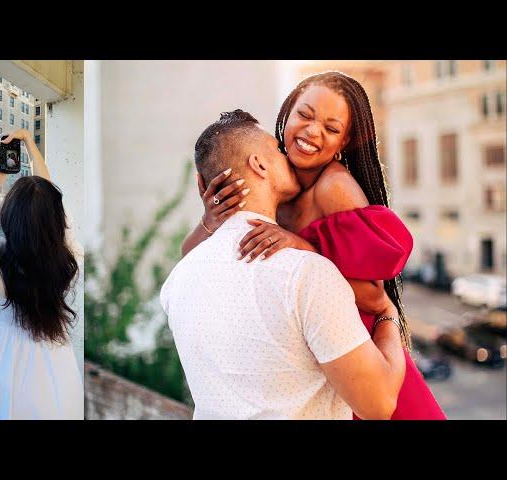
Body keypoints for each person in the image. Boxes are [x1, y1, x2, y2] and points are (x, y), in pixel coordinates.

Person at [183, 72, 446, 420]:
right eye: (305, 116)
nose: (312, 132)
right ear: (287, 113)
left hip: (356, 355)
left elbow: (372, 295)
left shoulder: (333, 188)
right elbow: (190, 259)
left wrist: (303, 247)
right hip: (313, 352)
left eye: (331, 128)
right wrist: (210, 220)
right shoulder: (274, 175)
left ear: (345, 142)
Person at [0, 129, 83, 419]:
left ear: (9, 216)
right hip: (51, 357)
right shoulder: (68, 256)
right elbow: (49, 198)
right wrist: (28, 141)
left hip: (0, 354)